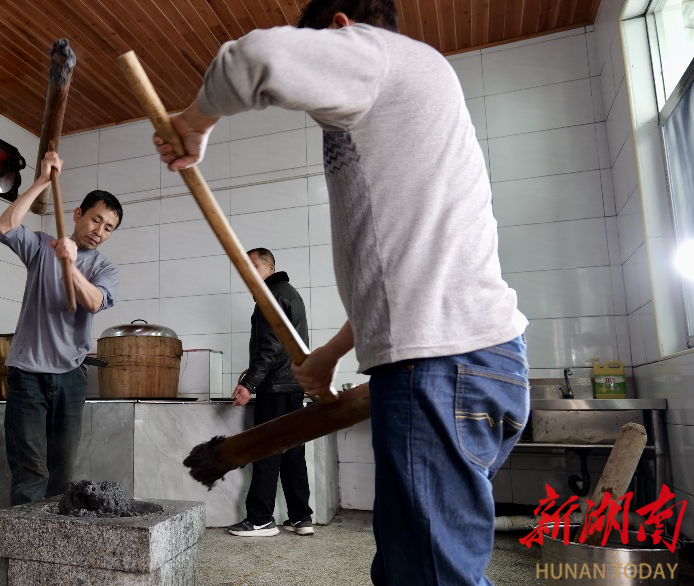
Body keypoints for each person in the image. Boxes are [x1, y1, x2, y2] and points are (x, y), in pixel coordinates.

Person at [154, 1, 529, 584]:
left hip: (442, 368)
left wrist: (195, 122)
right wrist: (331, 352)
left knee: (428, 576)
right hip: (469, 363)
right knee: (411, 568)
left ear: (339, 29)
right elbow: (406, 271)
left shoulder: (378, 57)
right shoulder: (419, 93)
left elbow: (255, 56)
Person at [0, 151, 123, 506]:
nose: (99, 232)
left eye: (108, 228)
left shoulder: (104, 268)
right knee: (29, 471)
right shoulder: (40, 246)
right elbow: (5, 226)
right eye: (96, 220)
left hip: (70, 374)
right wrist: (42, 181)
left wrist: (72, 263)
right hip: (26, 374)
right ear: (78, 214)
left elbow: (95, 301)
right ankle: (25, 554)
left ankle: (53, 552)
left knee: (61, 473)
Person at [227, 248, 315, 538]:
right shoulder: (290, 293)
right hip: (294, 384)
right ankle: (301, 517)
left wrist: (249, 383)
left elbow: (270, 346)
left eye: (254, 265)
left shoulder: (270, 296)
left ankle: (261, 519)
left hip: (276, 386)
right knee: (292, 452)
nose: (249, 271)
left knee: (265, 451)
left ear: (270, 266)